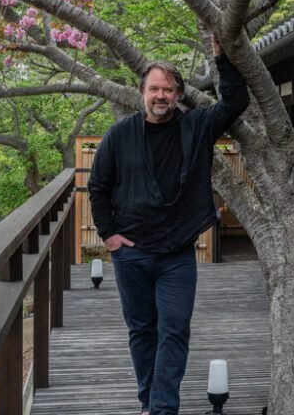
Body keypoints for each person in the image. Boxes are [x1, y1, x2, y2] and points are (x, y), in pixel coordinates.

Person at [87, 35, 248, 415]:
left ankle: (162, 408)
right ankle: (148, 401)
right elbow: (98, 186)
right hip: (132, 255)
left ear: (178, 94)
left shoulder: (197, 127)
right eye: (154, 89)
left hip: (177, 255)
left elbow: (236, 101)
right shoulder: (120, 134)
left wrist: (220, 59)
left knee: (174, 331)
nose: (161, 96)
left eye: (168, 90)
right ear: (142, 92)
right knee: (142, 332)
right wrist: (108, 235)